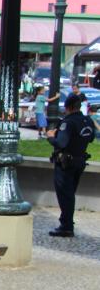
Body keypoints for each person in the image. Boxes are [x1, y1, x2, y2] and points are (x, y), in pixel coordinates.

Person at [46, 95, 95, 238]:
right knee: (70, 194)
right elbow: (90, 138)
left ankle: (66, 226)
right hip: (79, 162)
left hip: (66, 164)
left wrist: (50, 136)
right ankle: (67, 224)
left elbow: (61, 143)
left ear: (67, 107)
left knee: (65, 195)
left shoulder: (67, 122)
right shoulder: (87, 120)